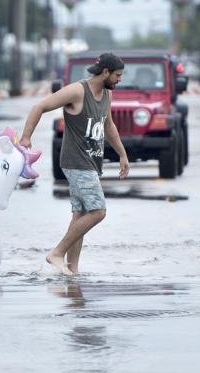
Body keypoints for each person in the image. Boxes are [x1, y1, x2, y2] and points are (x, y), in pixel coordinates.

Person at [19, 52, 129, 276]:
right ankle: (57, 252)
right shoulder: (77, 91)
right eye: (117, 75)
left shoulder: (107, 95)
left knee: (80, 215)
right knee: (98, 211)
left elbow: (108, 126)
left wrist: (122, 154)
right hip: (75, 161)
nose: (120, 80)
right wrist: (26, 138)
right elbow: (39, 107)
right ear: (105, 72)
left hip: (91, 161)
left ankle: (72, 269)